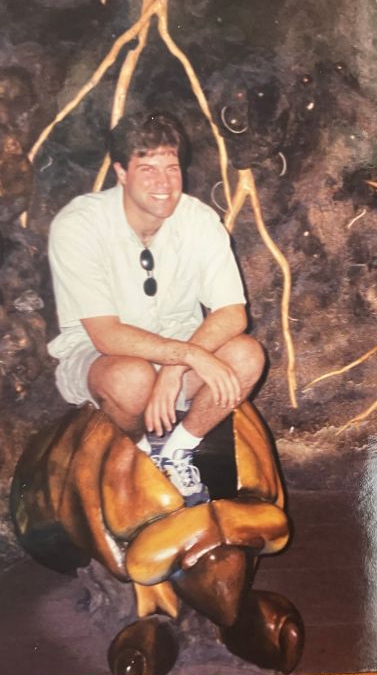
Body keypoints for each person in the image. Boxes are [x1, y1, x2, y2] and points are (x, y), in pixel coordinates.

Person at [46, 111, 264, 505]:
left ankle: (176, 451)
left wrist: (176, 367)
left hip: (178, 352)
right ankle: (135, 452)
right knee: (132, 379)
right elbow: (106, 334)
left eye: (171, 167)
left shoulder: (199, 220)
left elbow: (232, 313)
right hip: (103, 356)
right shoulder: (79, 224)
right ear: (121, 172)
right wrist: (187, 356)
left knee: (247, 355)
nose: (163, 183)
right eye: (147, 169)